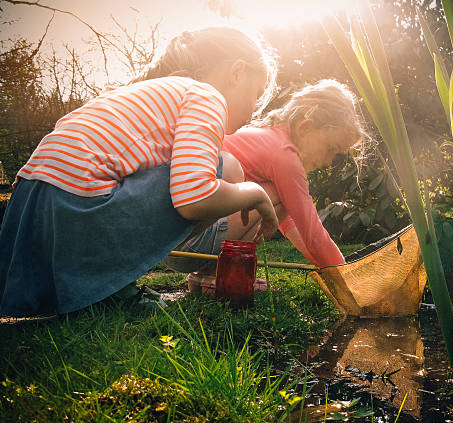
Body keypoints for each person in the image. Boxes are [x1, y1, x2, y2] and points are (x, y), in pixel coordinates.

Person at [0, 26, 280, 317]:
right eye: (257, 95)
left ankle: (101, 285)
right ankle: (113, 288)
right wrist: (255, 193)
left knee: (200, 169)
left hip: (28, 211)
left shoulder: (146, 94)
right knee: (226, 169)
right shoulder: (206, 95)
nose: (254, 111)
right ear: (237, 72)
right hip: (78, 207)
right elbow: (194, 197)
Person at [162, 79, 365, 293]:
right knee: (273, 194)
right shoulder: (285, 156)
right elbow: (312, 232)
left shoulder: (266, 138)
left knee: (273, 198)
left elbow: (290, 224)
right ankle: (220, 275)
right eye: (330, 149)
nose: (329, 161)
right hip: (188, 244)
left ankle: (206, 276)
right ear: (306, 127)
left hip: (170, 244)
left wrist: (326, 266)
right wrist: (348, 278)